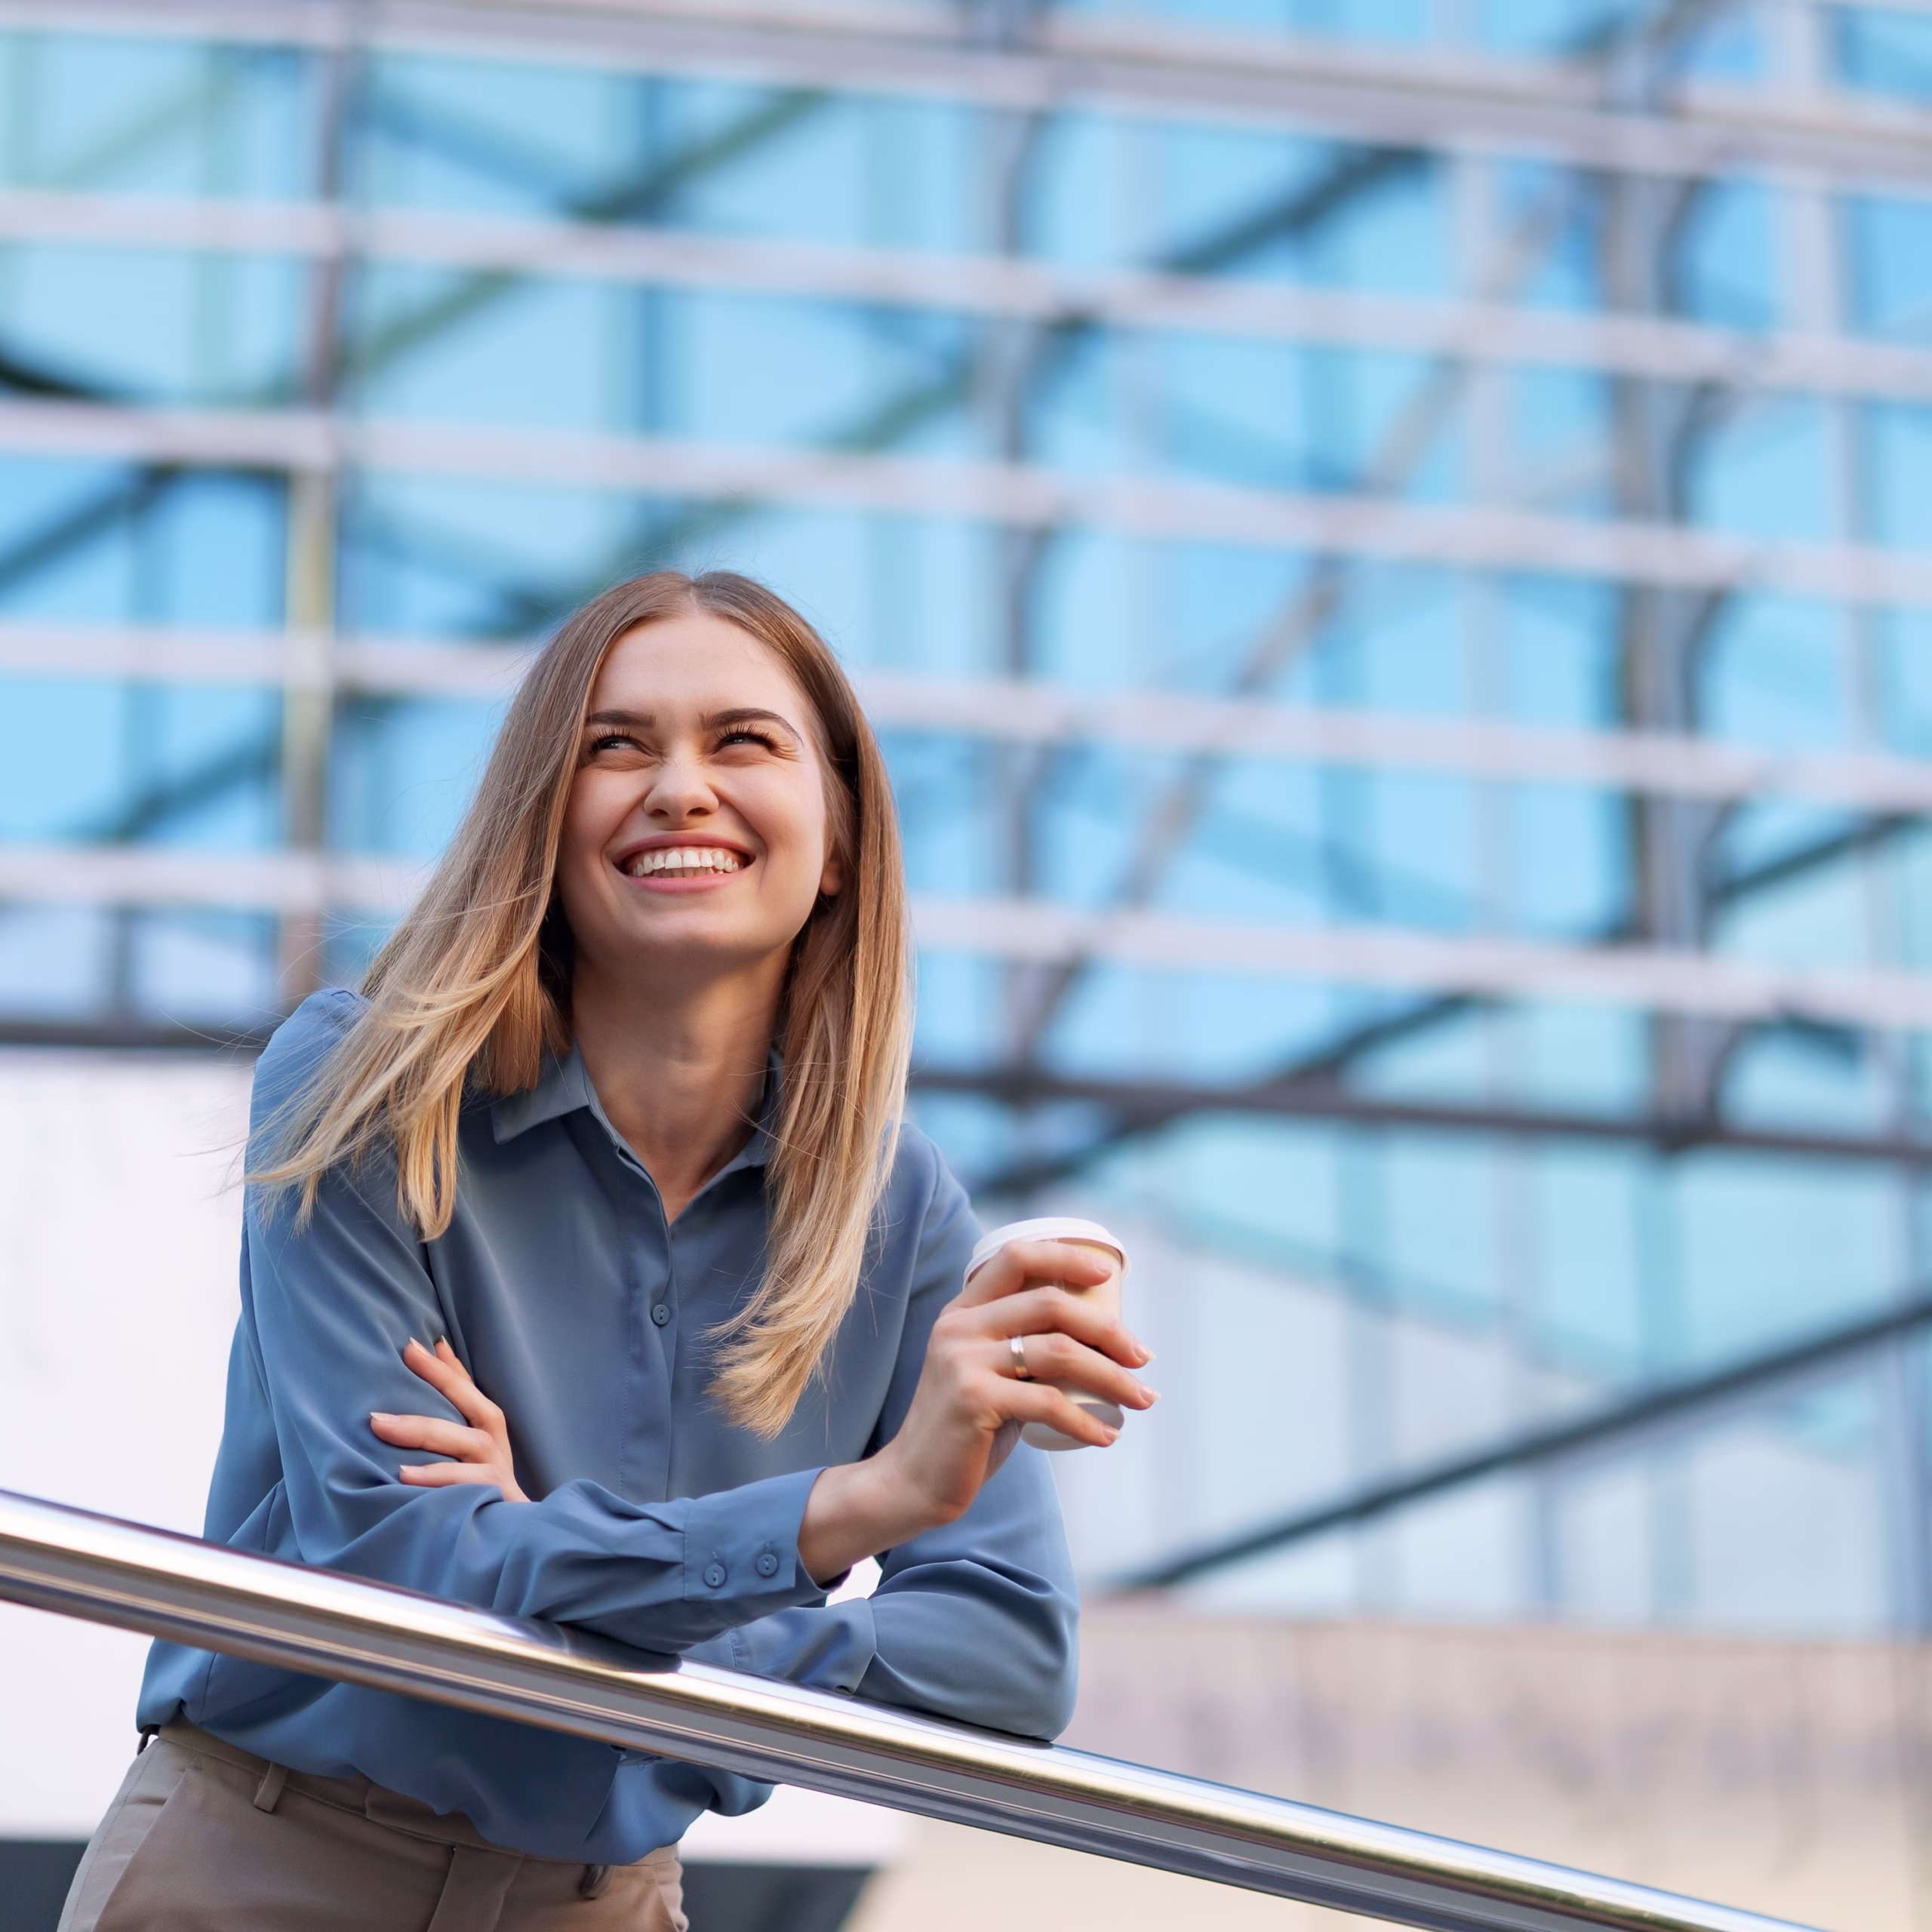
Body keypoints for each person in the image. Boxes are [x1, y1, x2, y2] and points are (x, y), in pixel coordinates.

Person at [59, 571, 1156, 1932]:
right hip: (273, 1873)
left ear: (841, 844)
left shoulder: (897, 1208)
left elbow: (1006, 1659)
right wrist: (855, 1511)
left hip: (605, 1901)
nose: (679, 787)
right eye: (613, 746)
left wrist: (587, 1575)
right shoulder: (366, 1087)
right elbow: (402, 1561)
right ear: (541, 822)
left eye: (742, 741)